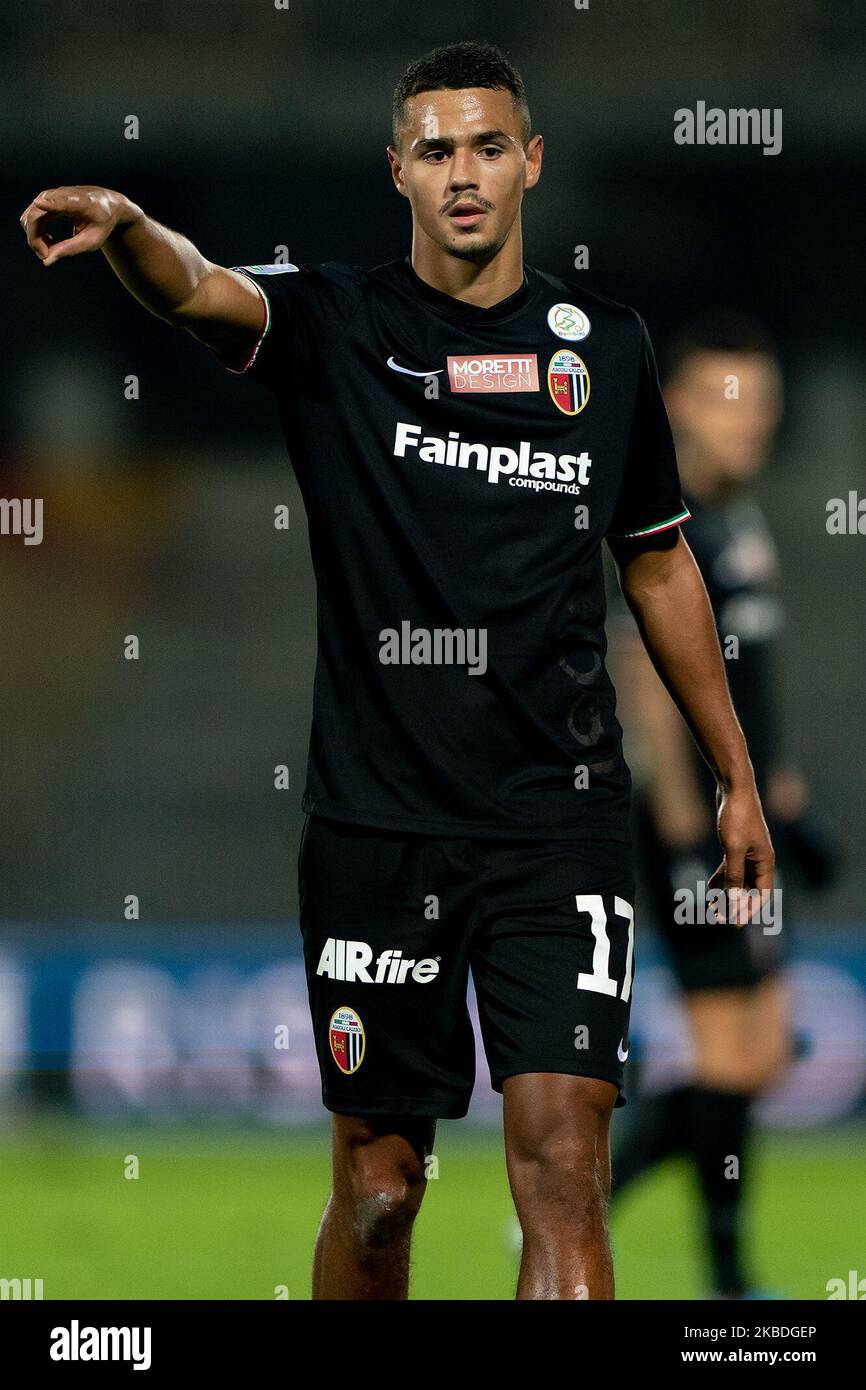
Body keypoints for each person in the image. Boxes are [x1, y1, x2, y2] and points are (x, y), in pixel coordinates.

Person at [20, 41, 775, 1301]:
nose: (463, 174)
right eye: (435, 152)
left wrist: (733, 775)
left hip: (556, 821)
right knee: (378, 1193)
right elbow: (205, 293)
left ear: (530, 162)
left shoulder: (609, 353)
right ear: (398, 175)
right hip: (378, 825)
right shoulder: (336, 321)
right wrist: (134, 228)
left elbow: (657, 566)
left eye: (488, 146)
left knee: (565, 1166)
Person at [609, 313, 837, 1298]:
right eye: (726, 400)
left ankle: (612, 1200)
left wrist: (788, 803)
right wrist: (677, 833)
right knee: (733, 1054)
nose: (747, 424)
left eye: (762, 405)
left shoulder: (741, 522)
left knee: (757, 1052)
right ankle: (696, 1256)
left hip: (746, 823)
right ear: (677, 407)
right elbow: (644, 678)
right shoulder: (668, 524)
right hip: (694, 834)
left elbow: (754, 692)